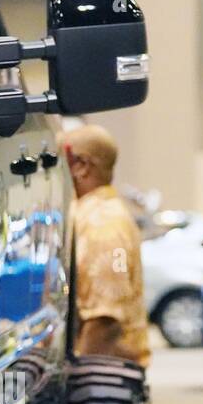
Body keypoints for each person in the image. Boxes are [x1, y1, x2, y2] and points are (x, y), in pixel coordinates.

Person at [61, 124, 151, 367]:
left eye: (58, 160)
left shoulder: (104, 225)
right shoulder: (98, 213)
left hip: (106, 381)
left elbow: (105, 321)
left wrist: (80, 381)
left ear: (81, 166)